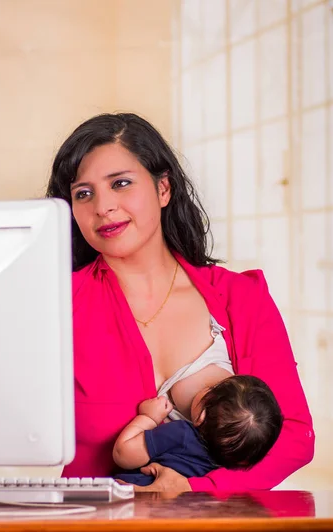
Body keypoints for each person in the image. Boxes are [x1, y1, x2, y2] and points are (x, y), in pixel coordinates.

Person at [46, 112, 314, 493]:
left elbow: (295, 437)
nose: (103, 206)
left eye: (120, 183)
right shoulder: (54, 304)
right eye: (83, 193)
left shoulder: (241, 297)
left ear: (163, 189)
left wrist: (199, 488)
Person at [113, 374, 284, 485]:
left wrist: (148, 418)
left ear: (201, 416)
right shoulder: (227, 464)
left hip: (133, 498)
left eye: (212, 388)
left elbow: (123, 454)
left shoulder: (181, 434)